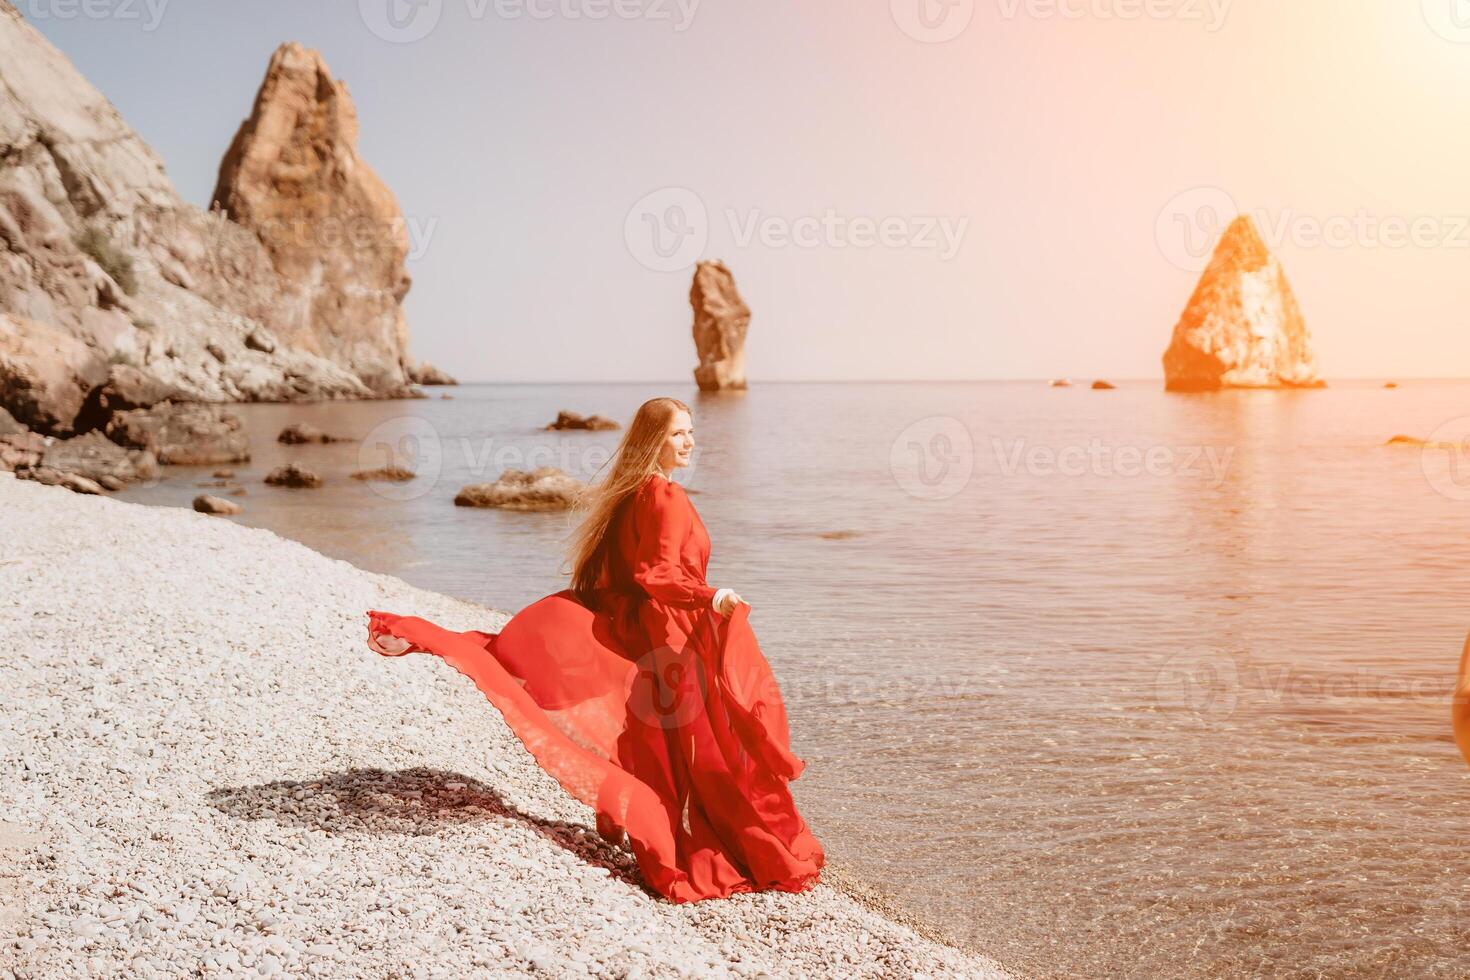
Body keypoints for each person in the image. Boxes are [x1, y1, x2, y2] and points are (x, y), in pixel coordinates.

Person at [365, 396, 824, 902]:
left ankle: (629, 819)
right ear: (653, 440)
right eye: (677, 434)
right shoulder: (665, 498)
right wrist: (711, 596)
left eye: (691, 432)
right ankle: (699, 847)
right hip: (670, 634)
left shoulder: (635, 493)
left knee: (655, 739)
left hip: (646, 628)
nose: (689, 442)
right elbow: (656, 573)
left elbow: (624, 573)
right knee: (700, 748)